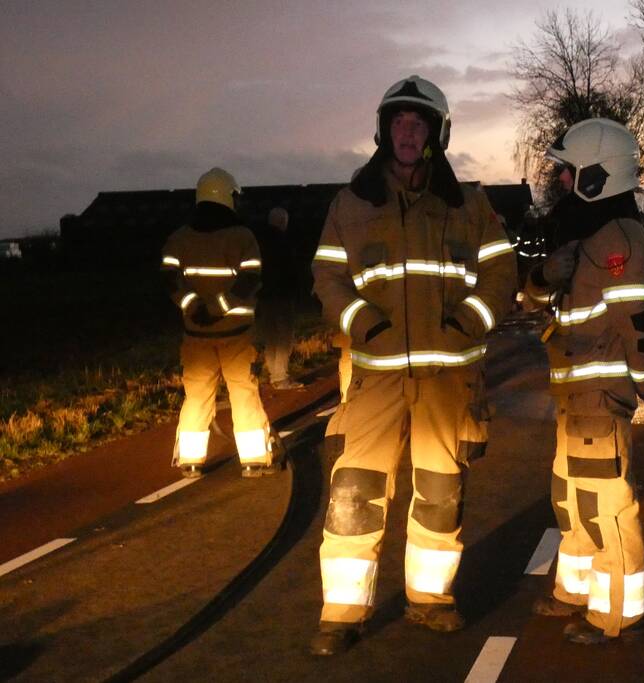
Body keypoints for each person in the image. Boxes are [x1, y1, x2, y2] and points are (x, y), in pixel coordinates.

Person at [308, 75, 516, 656]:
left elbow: (503, 274)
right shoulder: (349, 205)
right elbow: (326, 276)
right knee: (354, 491)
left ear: (435, 134)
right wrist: (359, 322)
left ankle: (430, 600)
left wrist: (469, 321)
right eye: (399, 122)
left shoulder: (470, 206)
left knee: (440, 492)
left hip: (450, 378)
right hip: (375, 376)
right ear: (383, 130)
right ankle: (341, 614)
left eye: (417, 123)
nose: (406, 132)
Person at [524, 118, 644, 644]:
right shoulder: (581, 235)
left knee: (605, 506)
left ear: (596, 176)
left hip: (599, 398)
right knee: (569, 497)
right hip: (572, 395)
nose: (561, 180)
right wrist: (544, 276)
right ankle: (575, 589)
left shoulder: (620, 239)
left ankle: (616, 614)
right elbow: (535, 300)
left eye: (569, 171)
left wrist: (642, 382)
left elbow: (643, 326)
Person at [160, 167, 278, 478]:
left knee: (197, 395)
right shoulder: (243, 237)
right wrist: (218, 307)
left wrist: (194, 307)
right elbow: (249, 280)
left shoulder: (178, 239)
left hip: (195, 335)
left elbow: (171, 281)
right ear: (228, 197)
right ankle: (254, 461)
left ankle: (190, 460)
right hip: (236, 335)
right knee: (243, 392)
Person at [255, 206, 303, 390]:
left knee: (271, 336)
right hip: (282, 296)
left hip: (264, 296)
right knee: (284, 338)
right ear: (283, 222)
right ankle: (280, 377)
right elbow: (291, 271)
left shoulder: (258, 243)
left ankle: (273, 374)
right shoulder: (284, 242)